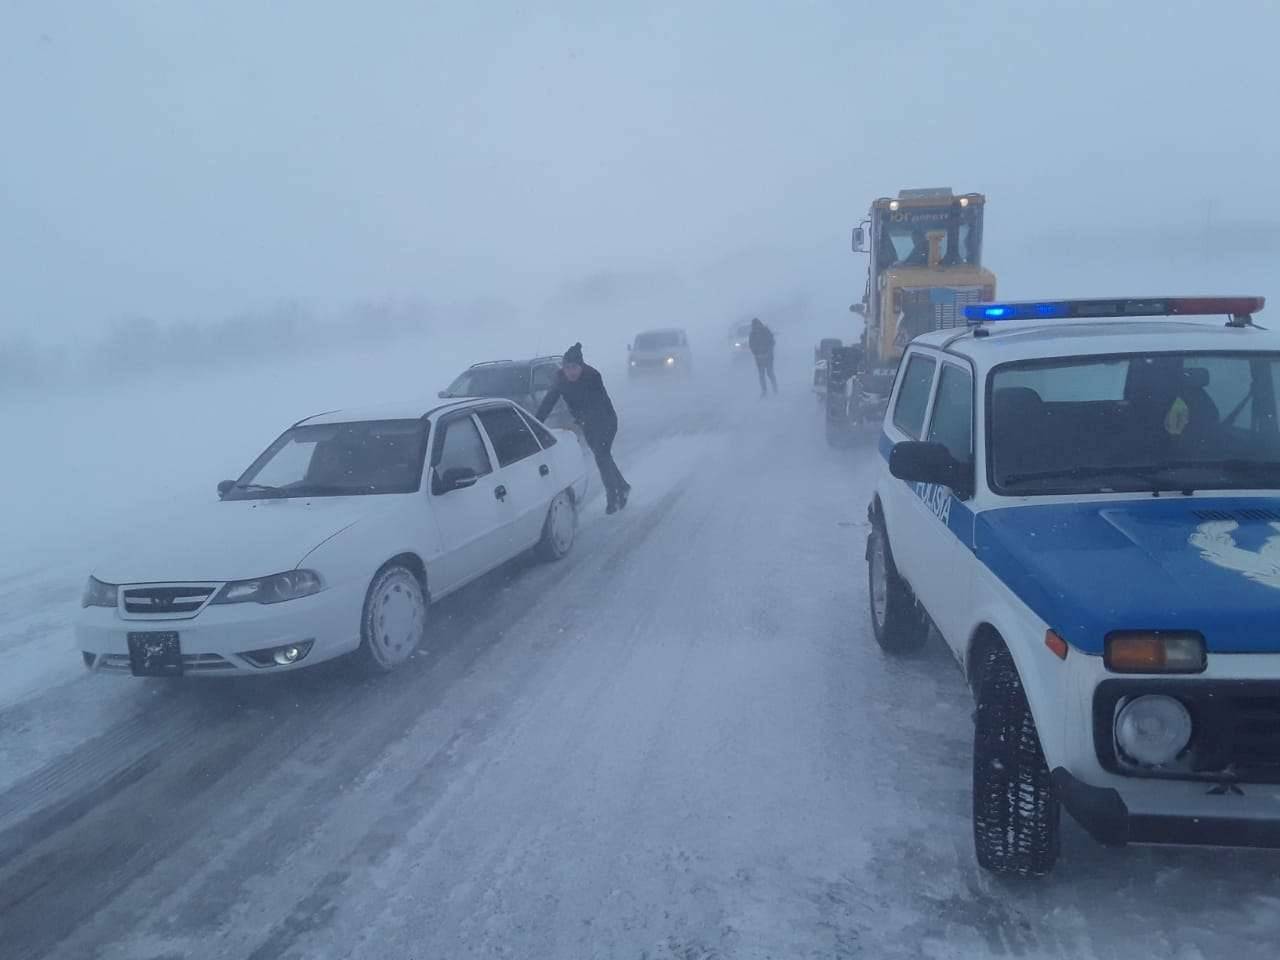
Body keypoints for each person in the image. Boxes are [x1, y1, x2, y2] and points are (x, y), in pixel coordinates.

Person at [536, 342, 631, 514]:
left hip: (606, 421)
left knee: (601, 457)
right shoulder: (560, 381)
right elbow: (548, 402)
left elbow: (598, 405)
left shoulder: (593, 376)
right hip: (586, 423)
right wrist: (535, 423)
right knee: (603, 457)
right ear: (563, 368)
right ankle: (623, 486)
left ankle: (613, 497)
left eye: (574, 367)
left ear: (581, 366)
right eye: (567, 368)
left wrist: (586, 420)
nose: (571, 372)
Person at [748, 318, 777, 397]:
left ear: (759, 324)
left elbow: (772, 342)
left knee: (770, 373)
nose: (756, 327)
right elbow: (751, 345)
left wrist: (769, 351)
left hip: (768, 357)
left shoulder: (766, 331)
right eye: (754, 325)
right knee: (761, 375)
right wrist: (756, 353)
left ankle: (775, 388)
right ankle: (764, 391)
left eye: (756, 325)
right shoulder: (752, 334)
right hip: (759, 358)